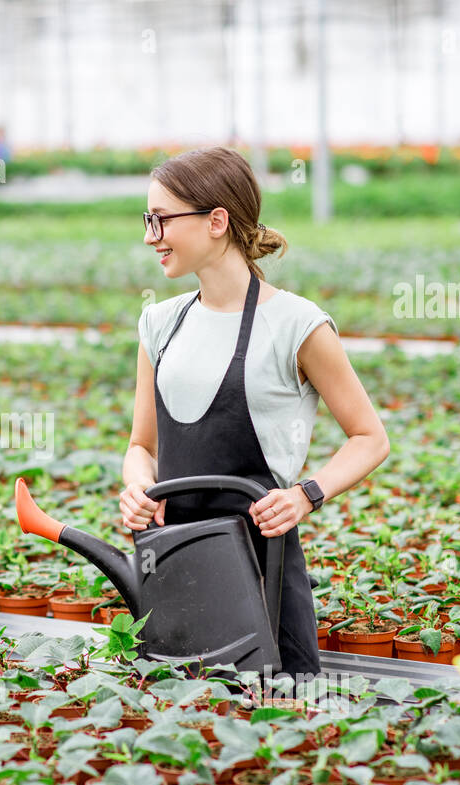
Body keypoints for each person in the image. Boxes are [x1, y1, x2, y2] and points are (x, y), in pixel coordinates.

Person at [120, 146, 390, 682]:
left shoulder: (297, 325)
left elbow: (369, 437)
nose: (151, 236)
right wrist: (136, 488)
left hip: (262, 575)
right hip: (173, 566)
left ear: (216, 220)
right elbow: (141, 446)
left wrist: (305, 495)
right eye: (147, 220)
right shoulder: (160, 324)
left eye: (162, 219)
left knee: (275, 729)